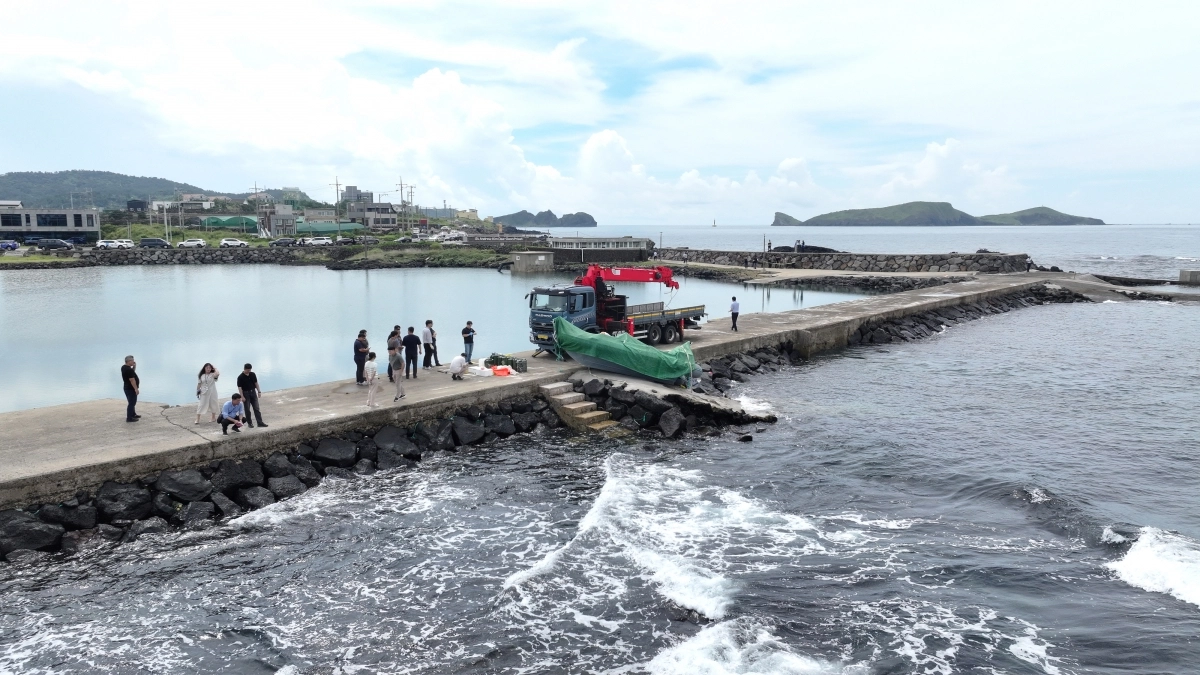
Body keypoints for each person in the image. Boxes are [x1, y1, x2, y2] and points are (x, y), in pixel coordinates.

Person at [237, 363, 267, 428]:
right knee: (247, 409)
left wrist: (259, 391)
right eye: (247, 370)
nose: (248, 371)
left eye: (249, 370)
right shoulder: (240, 377)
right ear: (244, 369)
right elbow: (240, 388)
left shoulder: (252, 374)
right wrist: (242, 396)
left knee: (256, 408)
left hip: (253, 392)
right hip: (245, 393)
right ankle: (250, 423)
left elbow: (256, 383)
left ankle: (260, 422)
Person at [121, 355, 140, 423]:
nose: (133, 361)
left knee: (131, 402)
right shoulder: (128, 369)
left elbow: (132, 373)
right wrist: (136, 389)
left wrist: (134, 367)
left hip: (127, 388)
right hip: (130, 389)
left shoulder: (124, 367)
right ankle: (129, 418)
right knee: (132, 403)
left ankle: (133, 414)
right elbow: (132, 380)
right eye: (132, 360)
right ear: (129, 361)